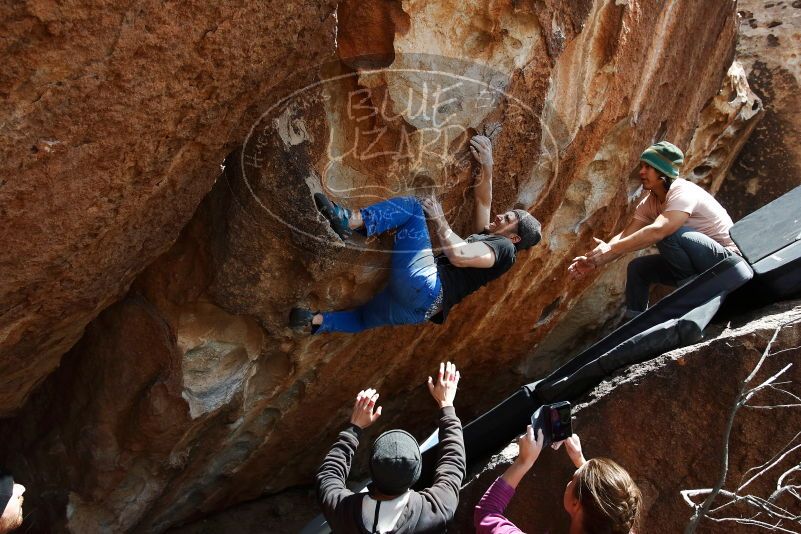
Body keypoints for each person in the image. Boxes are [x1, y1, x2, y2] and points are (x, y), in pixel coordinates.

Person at [290, 135, 542, 333]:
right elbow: (484, 203)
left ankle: (350, 220)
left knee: (412, 208)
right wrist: (488, 164)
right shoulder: (491, 242)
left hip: (427, 287)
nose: (500, 216)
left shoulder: (505, 250)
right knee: (363, 317)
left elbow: (459, 255)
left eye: (508, 219)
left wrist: (439, 218)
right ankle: (316, 321)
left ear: (515, 238)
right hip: (417, 310)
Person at [568, 141, 740, 319]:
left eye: (648, 167)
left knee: (668, 234)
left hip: (727, 262)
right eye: (642, 166)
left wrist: (610, 248)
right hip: (697, 267)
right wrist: (595, 260)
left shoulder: (683, 192)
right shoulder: (650, 202)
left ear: (663, 172)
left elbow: (659, 230)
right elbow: (626, 236)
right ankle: (633, 325)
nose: (641, 171)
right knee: (638, 268)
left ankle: (692, 296)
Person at [316, 362, 465, 533]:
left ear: (371, 469)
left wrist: (355, 428)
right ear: (417, 473)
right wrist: (446, 404)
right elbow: (453, 462)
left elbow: (328, 474)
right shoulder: (435, 510)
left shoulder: (342, 511)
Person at [474, 429, 642, 533]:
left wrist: (523, 462)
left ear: (576, 504)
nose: (572, 478)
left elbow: (486, 513)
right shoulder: (619, 526)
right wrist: (582, 463)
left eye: (573, 478)